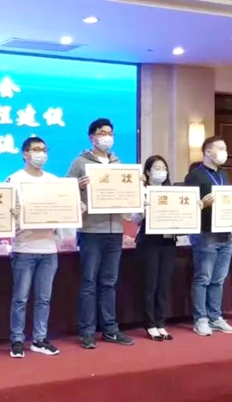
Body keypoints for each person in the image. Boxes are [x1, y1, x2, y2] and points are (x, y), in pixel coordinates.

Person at [67, 118, 135, 349]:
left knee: (109, 282)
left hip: (114, 230)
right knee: (88, 282)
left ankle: (110, 329)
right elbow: (64, 192)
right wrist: (78, 186)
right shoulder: (80, 162)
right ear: (92, 137)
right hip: (90, 231)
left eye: (110, 133)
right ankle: (87, 332)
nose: (107, 137)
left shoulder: (118, 163)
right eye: (102, 133)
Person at [6, 137, 62, 358]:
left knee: (44, 299)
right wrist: (15, 216)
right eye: (36, 149)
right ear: (25, 154)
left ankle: (40, 339)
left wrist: (75, 209)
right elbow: (6, 214)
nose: (41, 154)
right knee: (20, 298)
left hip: (49, 249)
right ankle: (17, 340)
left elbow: (62, 211)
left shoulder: (53, 181)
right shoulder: (14, 180)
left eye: (44, 149)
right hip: (24, 248)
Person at [184, 136, 232, 336]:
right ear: (207, 151)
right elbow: (186, 206)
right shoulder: (195, 176)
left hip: (225, 234)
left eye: (225, 148)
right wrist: (202, 204)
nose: (224, 152)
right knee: (203, 278)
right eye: (220, 148)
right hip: (205, 234)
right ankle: (201, 319)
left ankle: (216, 317)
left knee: (218, 279)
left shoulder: (224, 175)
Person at [133, 156, 177, 341]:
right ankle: (150, 324)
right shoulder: (142, 191)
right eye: (156, 168)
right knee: (150, 284)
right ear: (148, 172)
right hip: (148, 242)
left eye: (163, 168)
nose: (161, 171)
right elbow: (134, 219)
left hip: (168, 242)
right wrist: (143, 209)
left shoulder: (172, 192)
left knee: (164, 284)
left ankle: (161, 322)